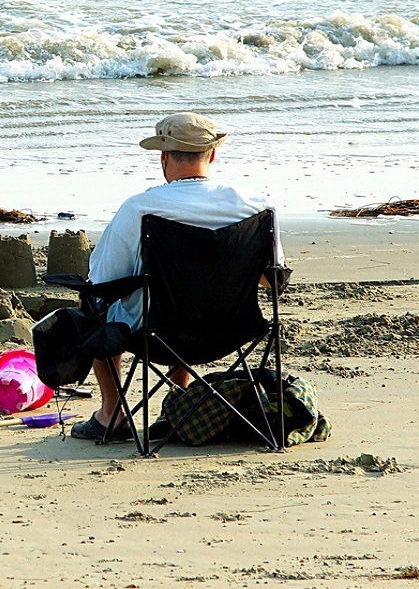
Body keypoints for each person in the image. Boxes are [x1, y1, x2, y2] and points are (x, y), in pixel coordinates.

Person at [69, 112, 283, 441]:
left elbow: (103, 280)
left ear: (164, 157)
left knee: (99, 309)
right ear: (212, 155)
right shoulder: (256, 206)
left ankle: (113, 412)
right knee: (193, 291)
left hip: (157, 334)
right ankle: (177, 400)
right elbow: (274, 279)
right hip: (232, 330)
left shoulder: (142, 208)